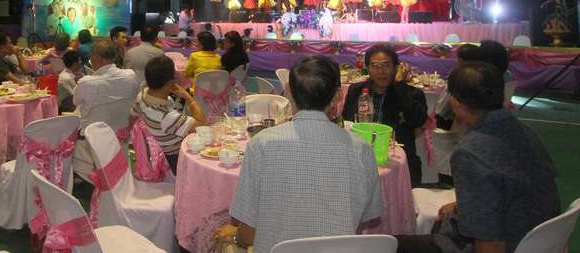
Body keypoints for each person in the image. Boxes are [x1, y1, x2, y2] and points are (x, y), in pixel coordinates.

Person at [215, 56, 382, 252]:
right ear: (338, 96)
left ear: (289, 93)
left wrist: (235, 236)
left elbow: (248, 231)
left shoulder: (261, 144)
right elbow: (361, 219)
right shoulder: (361, 149)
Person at [395, 62, 560, 253]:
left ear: (455, 102)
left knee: (389, 245)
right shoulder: (524, 131)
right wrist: (463, 206)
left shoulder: (471, 153)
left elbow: (490, 245)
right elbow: (513, 188)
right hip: (538, 236)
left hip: (504, 243)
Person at [343, 43, 428, 184]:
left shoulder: (411, 94)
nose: (381, 71)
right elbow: (347, 123)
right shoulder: (356, 90)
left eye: (386, 65)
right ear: (367, 68)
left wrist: (400, 86)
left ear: (396, 67)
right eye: (375, 66)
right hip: (360, 157)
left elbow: (418, 120)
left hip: (395, 159)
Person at [131, 55, 207, 173]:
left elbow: (133, 116)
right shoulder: (166, 116)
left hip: (157, 150)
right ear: (170, 83)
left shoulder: (142, 94)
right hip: (174, 159)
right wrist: (188, 98)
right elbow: (202, 124)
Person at [74, 39, 140, 119]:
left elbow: (75, 101)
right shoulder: (131, 75)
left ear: (97, 58)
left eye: (91, 58)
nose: (90, 61)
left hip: (92, 126)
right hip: (124, 125)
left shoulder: (85, 82)